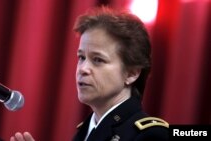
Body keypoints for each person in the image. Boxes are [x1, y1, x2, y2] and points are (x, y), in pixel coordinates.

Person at [10, 6, 169, 141]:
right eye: (81, 57)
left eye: (98, 60)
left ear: (131, 74)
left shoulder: (151, 134)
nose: (83, 68)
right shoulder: (85, 130)